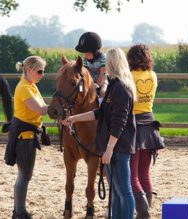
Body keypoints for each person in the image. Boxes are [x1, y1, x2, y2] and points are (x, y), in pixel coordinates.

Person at [61, 47, 137, 219]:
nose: (104, 66)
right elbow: (100, 112)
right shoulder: (112, 87)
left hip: (119, 146)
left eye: (107, 62)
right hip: (111, 147)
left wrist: (109, 148)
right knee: (116, 191)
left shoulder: (121, 90)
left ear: (112, 63)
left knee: (124, 190)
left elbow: (119, 123)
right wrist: (74, 119)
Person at [4, 56, 48, 219]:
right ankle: (20, 212)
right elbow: (39, 109)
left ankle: (19, 210)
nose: (42, 74)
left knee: (24, 174)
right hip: (25, 136)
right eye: (40, 71)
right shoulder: (24, 88)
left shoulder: (31, 86)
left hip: (29, 134)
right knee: (24, 175)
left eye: (43, 71)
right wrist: (57, 107)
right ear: (29, 70)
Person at [127, 44, 165, 219]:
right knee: (144, 173)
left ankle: (143, 213)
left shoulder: (129, 76)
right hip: (149, 123)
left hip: (134, 125)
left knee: (132, 175)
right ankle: (145, 210)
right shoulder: (153, 75)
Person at [75, 31, 108, 103]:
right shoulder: (85, 59)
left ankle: (101, 107)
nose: (84, 55)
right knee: (79, 89)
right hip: (91, 80)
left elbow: (103, 73)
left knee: (103, 91)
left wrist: (97, 85)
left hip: (102, 80)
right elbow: (86, 72)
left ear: (94, 51)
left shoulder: (103, 58)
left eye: (86, 53)